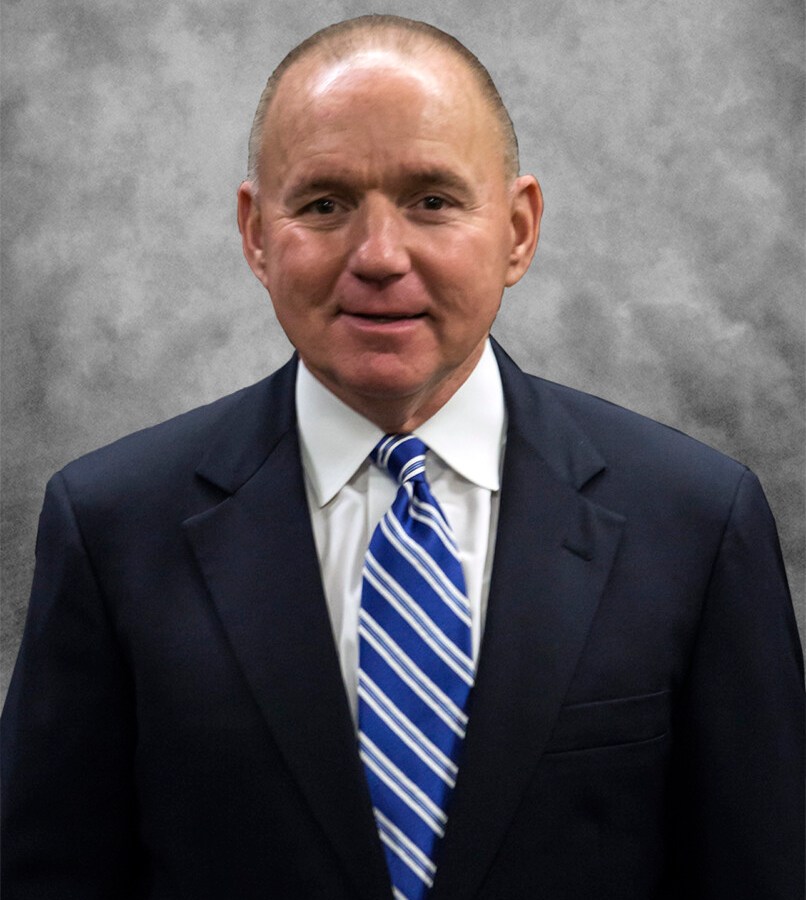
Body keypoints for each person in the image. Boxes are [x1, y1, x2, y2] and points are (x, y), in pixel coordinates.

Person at [1, 14, 803, 900]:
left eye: (432, 201)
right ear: (256, 233)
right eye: (324, 204)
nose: (379, 257)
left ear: (518, 229)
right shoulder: (112, 528)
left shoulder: (697, 524)